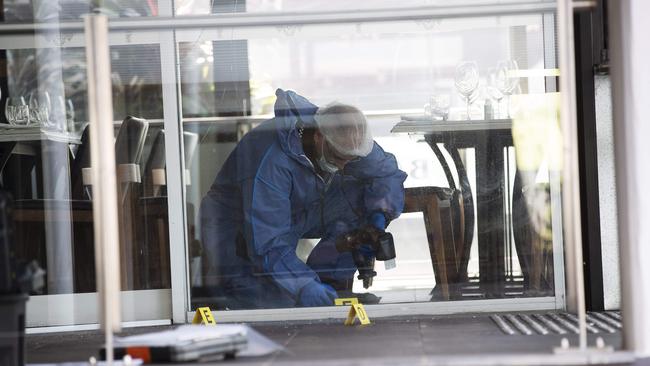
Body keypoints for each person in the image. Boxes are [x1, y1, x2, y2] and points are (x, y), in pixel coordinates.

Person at [200, 89, 406, 309]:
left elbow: (386, 173)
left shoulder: (346, 136)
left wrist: (377, 217)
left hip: (295, 213)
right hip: (239, 235)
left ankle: (330, 280)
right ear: (318, 137)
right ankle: (309, 284)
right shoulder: (271, 162)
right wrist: (303, 286)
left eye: (350, 159)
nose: (344, 166)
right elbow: (268, 241)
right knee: (275, 307)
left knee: (362, 195)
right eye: (338, 158)